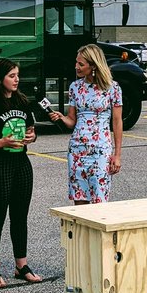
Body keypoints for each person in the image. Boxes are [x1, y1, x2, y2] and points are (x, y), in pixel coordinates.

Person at [0, 58, 58, 288]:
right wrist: (1, 142)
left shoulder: (23, 101)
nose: (16, 80)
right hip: (0, 163)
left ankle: (21, 265)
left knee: (20, 216)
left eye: (17, 75)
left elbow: (31, 130)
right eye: (11, 76)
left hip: (21, 163)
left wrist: (32, 137)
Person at [50, 44, 123, 205]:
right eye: (76, 62)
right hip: (77, 150)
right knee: (79, 201)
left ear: (93, 66)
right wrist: (61, 118)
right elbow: (71, 121)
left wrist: (117, 155)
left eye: (81, 64)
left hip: (100, 150)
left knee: (99, 202)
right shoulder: (75, 87)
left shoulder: (113, 88)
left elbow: (117, 122)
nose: (76, 66)